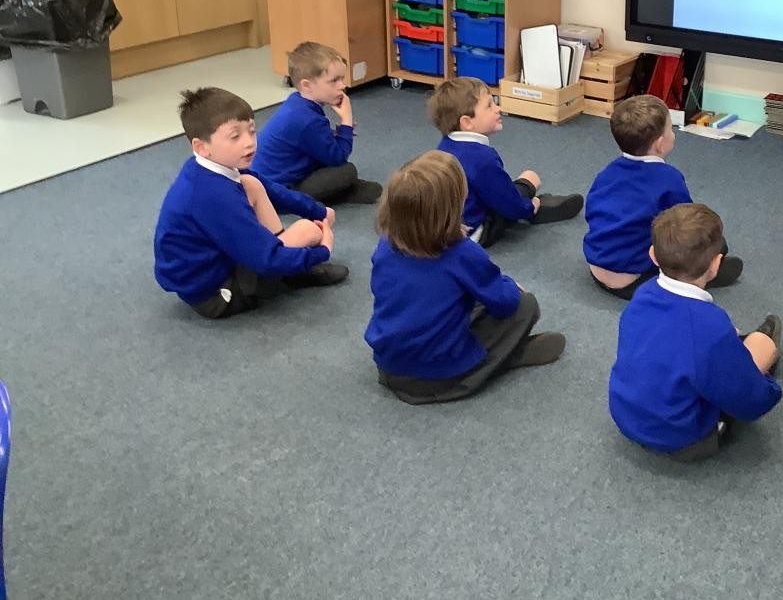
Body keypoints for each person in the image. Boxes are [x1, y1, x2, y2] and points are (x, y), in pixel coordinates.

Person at [365, 150, 566, 404]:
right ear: (453, 208)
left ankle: (497, 355)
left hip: (388, 366)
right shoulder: (462, 253)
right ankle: (501, 360)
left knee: (460, 301)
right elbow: (505, 302)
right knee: (526, 305)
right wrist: (512, 287)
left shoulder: (385, 245)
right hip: (439, 378)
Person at [154, 87, 347, 320]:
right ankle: (292, 272)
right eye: (235, 136)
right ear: (201, 147)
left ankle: (289, 264)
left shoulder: (209, 165)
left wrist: (317, 209)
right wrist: (321, 251)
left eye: (252, 131)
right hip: (215, 294)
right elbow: (267, 260)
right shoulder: (214, 196)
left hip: (210, 266)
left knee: (251, 184)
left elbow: (271, 188)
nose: (249, 143)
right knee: (310, 231)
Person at [608, 204, 782, 461]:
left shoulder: (642, 294)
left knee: (700, 350)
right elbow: (750, 402)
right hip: (684, 439)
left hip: (625, 415)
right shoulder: (711, 327)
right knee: (762, 344)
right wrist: (767, 387)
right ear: (716, 265)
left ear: (653, 255)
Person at [584, 94, 743, 300]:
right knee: (712, 242)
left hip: (596, 268)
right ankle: (703, 275)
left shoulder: (607, 172)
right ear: (660, 144)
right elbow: (687, 226)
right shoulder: (669, 179)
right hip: (635, 279)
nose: (673, 134)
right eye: (670, 129)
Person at [429, 77, 583, 247]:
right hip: (474, 233)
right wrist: (529, 207)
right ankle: (532, 198)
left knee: (497, 190)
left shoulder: (443, 146)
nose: (498, 108)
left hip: (444, 228)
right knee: (528, 179)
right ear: (467, 122)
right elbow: (508, 203)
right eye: (490, 105)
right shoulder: (483, 158)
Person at [251, 42, 382, 205]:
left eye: (342, 79)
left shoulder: (297, 102)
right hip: (277, 193)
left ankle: (341, 190)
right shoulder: (308, 119)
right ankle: (339, 193)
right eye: (334, 81)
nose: (342, 85)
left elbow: (310, 141)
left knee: (336, 168)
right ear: (307, 85)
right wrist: (347, 121)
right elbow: (339, 158)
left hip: (268, 183)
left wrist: (335, 135)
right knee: (347, 170)